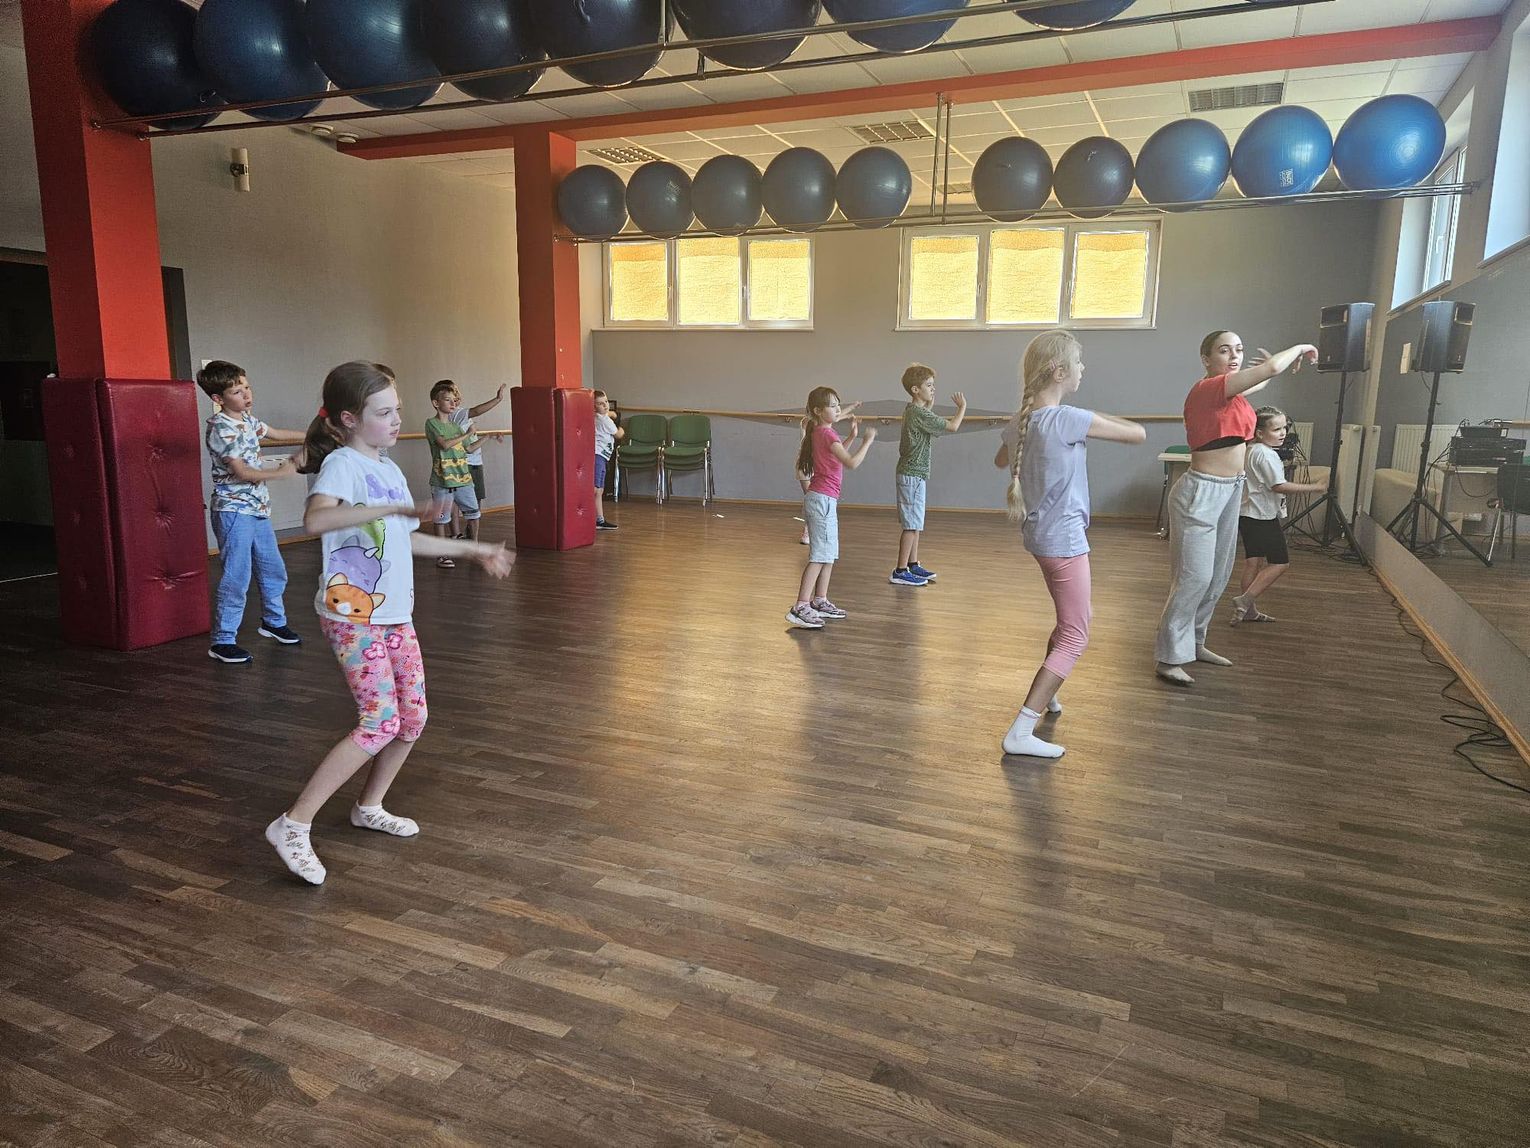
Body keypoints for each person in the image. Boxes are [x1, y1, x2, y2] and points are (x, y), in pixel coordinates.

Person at [265, 361, 513, 886]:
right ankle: (293, 824)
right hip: (352, 616)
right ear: (349, 419)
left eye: (397, 410)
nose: (397, 420)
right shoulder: (343, 465)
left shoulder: (389, 469)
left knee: (412, 718)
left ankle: (369, 806)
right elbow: (316, 519)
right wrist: (384, 511)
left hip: (395, 614)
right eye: (384, 412)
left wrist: (473, 550)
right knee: (379, 721)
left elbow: (403, 538)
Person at [993, 332, 1145, 758]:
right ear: (1059, 372)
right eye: (1078, 363)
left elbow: (1001, 459)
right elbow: (1137, 434)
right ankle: (1020, 731)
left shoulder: (1022, 422)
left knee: (1070, 621)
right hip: (1064, 540)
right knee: (1077, 634)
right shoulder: (1067, 419)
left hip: (1041, 537)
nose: (1083, 369)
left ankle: (1050, 692)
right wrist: (1088, 416)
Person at [1154, 332, 1318, 686]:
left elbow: (1262, 378)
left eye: (1239, 350)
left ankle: (1195, 643)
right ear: (1206, 358)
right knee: (1194, 577)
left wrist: (1267, 372)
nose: (1234, 356)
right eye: (1224, 350)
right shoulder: (1208, 389)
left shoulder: (1235, 396)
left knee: (1217, 575)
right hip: (1201, 492)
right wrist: (1300, 348)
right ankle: (1169, 657)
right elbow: (1271, 369)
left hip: (1231, 490)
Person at [197, 360, 307, 665]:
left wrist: (314, 435)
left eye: (247, 387)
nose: (246, 394)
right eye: (237, 391)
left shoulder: (247, 419)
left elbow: (275, 433)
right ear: (218, 399)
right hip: (233, 511)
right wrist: (282, 471)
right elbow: (243, 472)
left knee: (273, 569)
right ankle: (223, 641)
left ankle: (273, 622)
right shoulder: (221, 428)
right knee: (237, 576)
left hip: (257, 510)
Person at [788, 387, 875, 629]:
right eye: (833, 406)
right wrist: (867, 442)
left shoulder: (820, 432)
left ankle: (820, 600)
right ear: (818, 410)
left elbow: (834, 457)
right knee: (819, 557)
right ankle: (800, 606)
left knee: (828, 555)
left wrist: (852, 437)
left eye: (839, 405)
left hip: (823, 500)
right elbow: (851, 462)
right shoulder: (826, 434)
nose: (838, 409)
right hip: (822, 502)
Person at [1232, 405, 1325, 624]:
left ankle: (1249, 612)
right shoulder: (1266, 455)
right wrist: (1315, 487)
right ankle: (1245, 601)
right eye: (1276, 429)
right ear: (1259, 432)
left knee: (1253, 562)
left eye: (1285, 428)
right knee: (1280, 563)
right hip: (1261, 516)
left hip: (1247, 513)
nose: (1283, 433)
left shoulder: (1251, 449)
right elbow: (1278, 486)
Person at [892, 364, 966, 587]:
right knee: (911, 525)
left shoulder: (913, 411)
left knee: (915, 523)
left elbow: (927, 420)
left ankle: (913, 564)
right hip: (912, 474)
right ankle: (900, 570)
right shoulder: (918, 413)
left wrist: (930, 405)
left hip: (915, 474)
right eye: (929, 385)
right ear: (915, 389)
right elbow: (953, 426)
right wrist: (962, 407)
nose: (933, 389)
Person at [424, 380, 481, 568]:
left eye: (453, 400)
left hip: (463, 478)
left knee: (474, 513)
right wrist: (468, 433)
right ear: (436, 403)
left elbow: (469, 448)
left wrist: (487, 437)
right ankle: (442, 554)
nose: (452, 403)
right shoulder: (432, 423)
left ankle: (474, 548)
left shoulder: (456, 427)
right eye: (447, 400)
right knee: (441, 518)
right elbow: (445, 445)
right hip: (442, 480)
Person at [446, 381, 507, 536]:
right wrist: (497, 399)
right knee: (461, 501)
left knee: (473, 499)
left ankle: (463, 533)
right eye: (451, 397)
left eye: (457, 395)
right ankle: (459, 534)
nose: (456, 399)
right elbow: (477, 411)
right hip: (466, 463)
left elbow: (471, 439)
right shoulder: (457, 413)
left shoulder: (458, 416)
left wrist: (490, 435)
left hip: (474, 462)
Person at [594, 390, 626, 530]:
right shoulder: (604, 420)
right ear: (594, 407)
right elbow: (618, 434)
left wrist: (611, 413)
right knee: (596, 489)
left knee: (599, 490)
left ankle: (599, 519)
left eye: (606, 402)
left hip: (603, 456)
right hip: (598, 456)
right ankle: (594, 518)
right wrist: (622, 429)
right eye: (600, 404)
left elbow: (606, 413)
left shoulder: (599, 416)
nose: (605, 405)